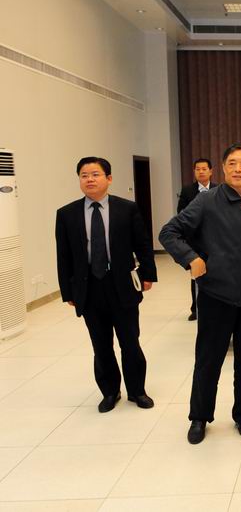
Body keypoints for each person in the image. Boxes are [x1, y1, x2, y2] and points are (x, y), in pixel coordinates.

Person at [159, 143, 241, 444]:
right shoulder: (207, 201)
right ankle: (199, 417)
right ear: (224, 168)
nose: (238, 169)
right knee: (208, 359)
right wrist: (191, 259)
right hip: (215, 296)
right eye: (232, 163)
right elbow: (169, 232)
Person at [55, 156, 157, 413]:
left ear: (109, 178)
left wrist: (148, 274)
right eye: (84, 175)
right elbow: (63, 256)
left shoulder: (127, 208)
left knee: (130, 342)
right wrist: (68, 291)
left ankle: (137, 391)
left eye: (95, 174)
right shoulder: (66, 214)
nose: (89, 179)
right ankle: (110, 391)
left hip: (121, 284)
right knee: (100, 345)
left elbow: (142, 244)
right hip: (89, 287)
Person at [177, 158, 217, 321]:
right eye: (197, 169)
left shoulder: (218, 189)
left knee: (215, 272)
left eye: (204, 169)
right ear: (194, 172)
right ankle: (195, 308)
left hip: (216, 239)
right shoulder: (187, 191)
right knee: (196, 274)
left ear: (211, 171)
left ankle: (216, 305)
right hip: (195, 239)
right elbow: (181, 213)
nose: (201, 172)